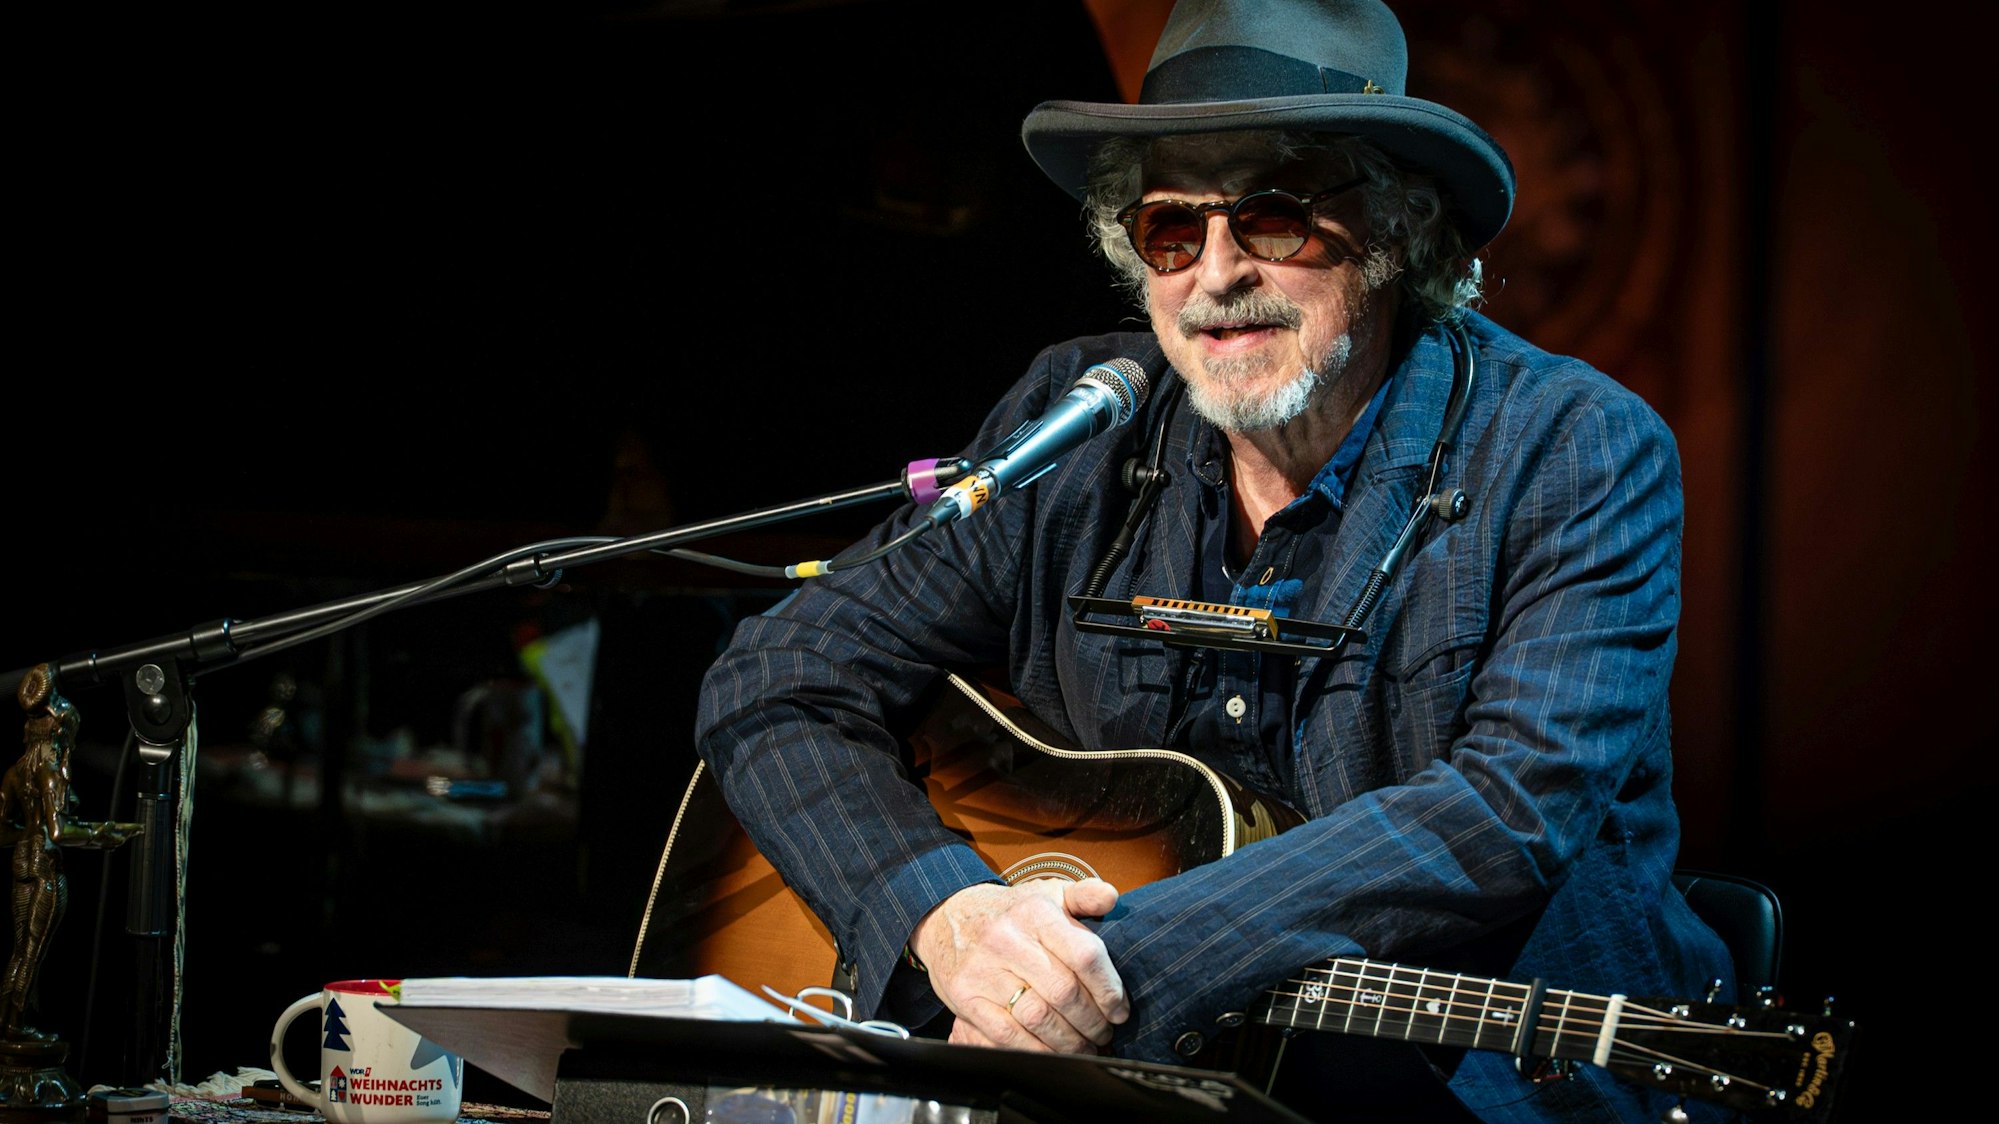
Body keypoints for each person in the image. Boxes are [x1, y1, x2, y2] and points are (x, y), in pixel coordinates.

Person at [693, 1, 1735, 1119]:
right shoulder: (1076, 425)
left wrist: (1086, 972)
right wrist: (942, 913)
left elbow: (1506, 808)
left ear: (1397, 231)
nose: (1216, 274)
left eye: (1275, 217)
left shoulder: (1571, 445)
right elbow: (778, 673)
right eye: (1171, 231)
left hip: (1490, 1086)